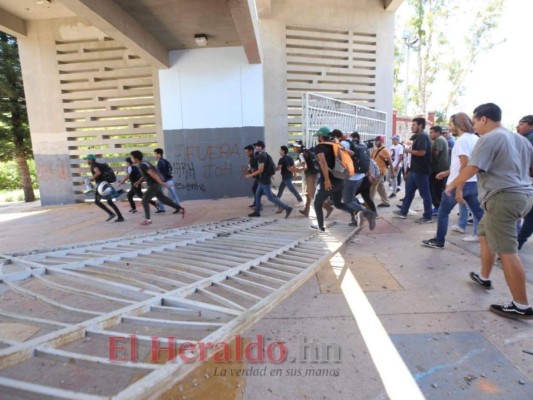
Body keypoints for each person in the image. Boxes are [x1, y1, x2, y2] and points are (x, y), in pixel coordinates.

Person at [446, 103, 533, 320]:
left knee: (507, 251)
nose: (474, 126)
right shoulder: (521, 140)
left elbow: (472, 167)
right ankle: (484, 276)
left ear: (483, 119)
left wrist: (452, 184)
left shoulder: (489, 138)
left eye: (475, 121)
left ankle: (521, 305)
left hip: (502, 198)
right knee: (484, 232)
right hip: (520, 196)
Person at [422, 113, 483, 249]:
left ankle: (439, 241)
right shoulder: (475, 138)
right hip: (472, 183)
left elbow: (465, 165)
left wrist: (458, 190)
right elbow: (466, 164)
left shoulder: (462, 141)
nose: (449, 128)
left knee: (443, 212)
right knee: (480, 214)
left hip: (458, 184)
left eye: (451, 124)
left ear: (458, 125)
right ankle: (495, 244)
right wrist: (447, 172)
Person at [311, 127, 358, 232]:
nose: (318, 138)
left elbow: (323, 162)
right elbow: (351, 154)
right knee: (338, 204)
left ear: (321, 137)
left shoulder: (319, 147)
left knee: (317, 204)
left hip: (328, 183)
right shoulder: (336, 145)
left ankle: (320, 227)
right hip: (340, 181)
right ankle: (354, 211)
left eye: (318, 136)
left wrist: (327, 180)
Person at [393, 117, 433, 223]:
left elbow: (422, 152)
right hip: (415, 170)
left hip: (421, 171)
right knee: (409, 192)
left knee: (425, 194)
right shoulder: (418, 137)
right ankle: (403, 211)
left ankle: (428, 216)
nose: (412, 126)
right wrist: (409, 171)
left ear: (420, 126)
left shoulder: (423, 136)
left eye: (414, 125)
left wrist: (408, 151)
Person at [130, 150, 184, 225]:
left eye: (132, 157)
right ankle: (180, 208)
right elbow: (145, 175)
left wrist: (160, 182)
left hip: (154, 185)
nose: (131, 159)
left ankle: (148, 220)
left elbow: (152, 173)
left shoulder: (142, 164)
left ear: (136, 158)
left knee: (145, 200)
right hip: (156, 184)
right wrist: (139, 181)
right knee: (163, 199)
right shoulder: (144, 163)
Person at [245, 141, 293, 219]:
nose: (255, 148)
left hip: (265, 179)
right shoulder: (263, 155)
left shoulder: (262, 156)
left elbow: (260, 170)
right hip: (262, 179)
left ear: (261, 147)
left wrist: (250, 175)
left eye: (257, 146)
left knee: (270, 197)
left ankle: (287, 208)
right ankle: (257, 212)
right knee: (257, 195)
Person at [84, 154, 125, 222]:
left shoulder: (93, 165)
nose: (86, 161)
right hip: (105, 184)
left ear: (90, 159)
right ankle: (119, 216)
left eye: (87, 159)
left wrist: (91, 179)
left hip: (101, 185)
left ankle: (112, 214)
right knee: (109, 202)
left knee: (97, 202)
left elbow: (98, 173)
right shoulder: (97, 164)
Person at [515, 115, 533, 249]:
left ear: (531, 126)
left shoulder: (528, 139)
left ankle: (517, 243)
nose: (518, 126)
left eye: (522, 124)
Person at [428, 125, 449, 215]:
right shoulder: (441, 139)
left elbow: (437, 153)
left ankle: (438, 207)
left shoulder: (439, 139)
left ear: (437, 132)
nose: (430, 134)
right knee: (436, 188)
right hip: (440, 168)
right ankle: (439, 207)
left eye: (432, 132)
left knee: (433, 188)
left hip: (439, 169)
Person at [275, 145, 303, 211]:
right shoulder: (290, 158)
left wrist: (272, 168)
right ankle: (277, 200)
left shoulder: (281, 159)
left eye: (280, 150)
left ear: (283, 151)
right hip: (289, 175)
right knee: (281, 188)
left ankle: (300, 200)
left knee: (292, 189)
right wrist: (295, 174)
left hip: (286, 177)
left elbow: (279, 168)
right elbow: (293, 167)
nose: (279, 151)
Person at [153, 148, 180, 214]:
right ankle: (178, 208)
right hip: (170, 180)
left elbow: (157, 172)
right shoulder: (165, 161)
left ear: (159, 154)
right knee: (174, 195)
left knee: (158, 193)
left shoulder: (160, 162)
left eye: (155, 154)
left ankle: (162, 209)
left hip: (165, 181)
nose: (154, 155)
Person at [370, 135, 392, 208]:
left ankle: (369, 202)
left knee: (373, 186)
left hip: (381, 171)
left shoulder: (385, 150)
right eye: (375, 141)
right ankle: (386, 202)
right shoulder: (375, 150)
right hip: (376, 171)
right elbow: (370, 158)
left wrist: (392, 171)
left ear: (381, 141)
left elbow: (389, 161)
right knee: (380, 187)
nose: (376, 142)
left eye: (377, 141)